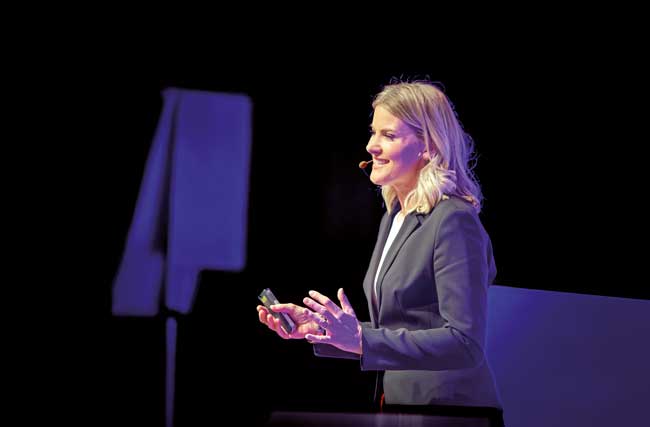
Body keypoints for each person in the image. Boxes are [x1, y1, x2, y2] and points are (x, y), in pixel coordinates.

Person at [256, 80, 505, 426]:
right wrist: (324, 329)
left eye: (388, 135)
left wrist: (361, 339)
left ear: (428, 146)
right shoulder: (394, 218)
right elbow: (401, 326)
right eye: (373, 132)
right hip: (401, 408)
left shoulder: (453, 220)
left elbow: (464, 342)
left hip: (452, 411)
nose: (372, 145)